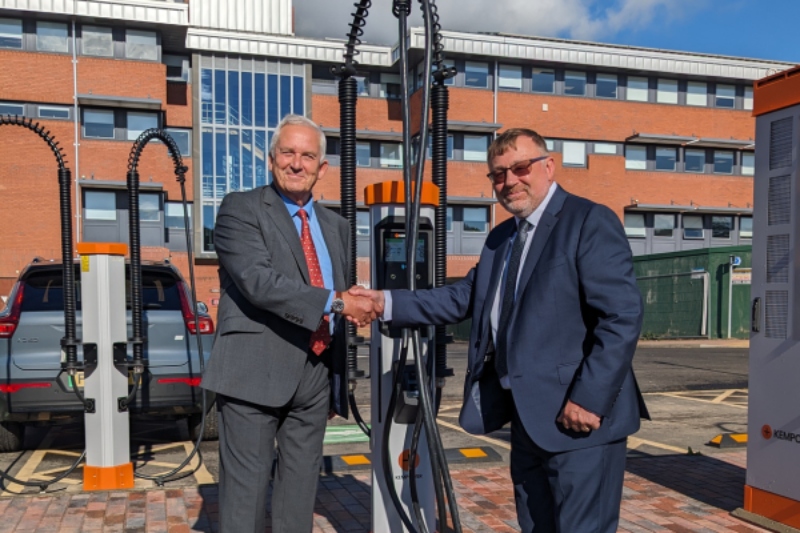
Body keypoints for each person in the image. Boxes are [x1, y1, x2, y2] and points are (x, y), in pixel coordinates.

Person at [351, 128, 649, 532]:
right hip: (526, 420)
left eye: (519, 168)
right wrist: (383, 302)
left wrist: (590, 400)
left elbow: (621, 317)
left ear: (548, 166)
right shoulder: (500, 239)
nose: (509, 181)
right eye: (497, 174)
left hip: (579, 419)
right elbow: (461, 298)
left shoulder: (587, 220)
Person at [201, 114, 376, 533]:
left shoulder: (338, 226)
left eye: (308, 155)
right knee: (245, 496)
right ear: (271, 159)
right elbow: (259, 282)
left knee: (299, 493)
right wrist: (339, 302)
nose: (297, 163)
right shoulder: (240, 209)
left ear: (322, 167)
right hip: (253, 373)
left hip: (315, 372)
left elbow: (332, 288)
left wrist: (359, 299)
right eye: (288, 153)